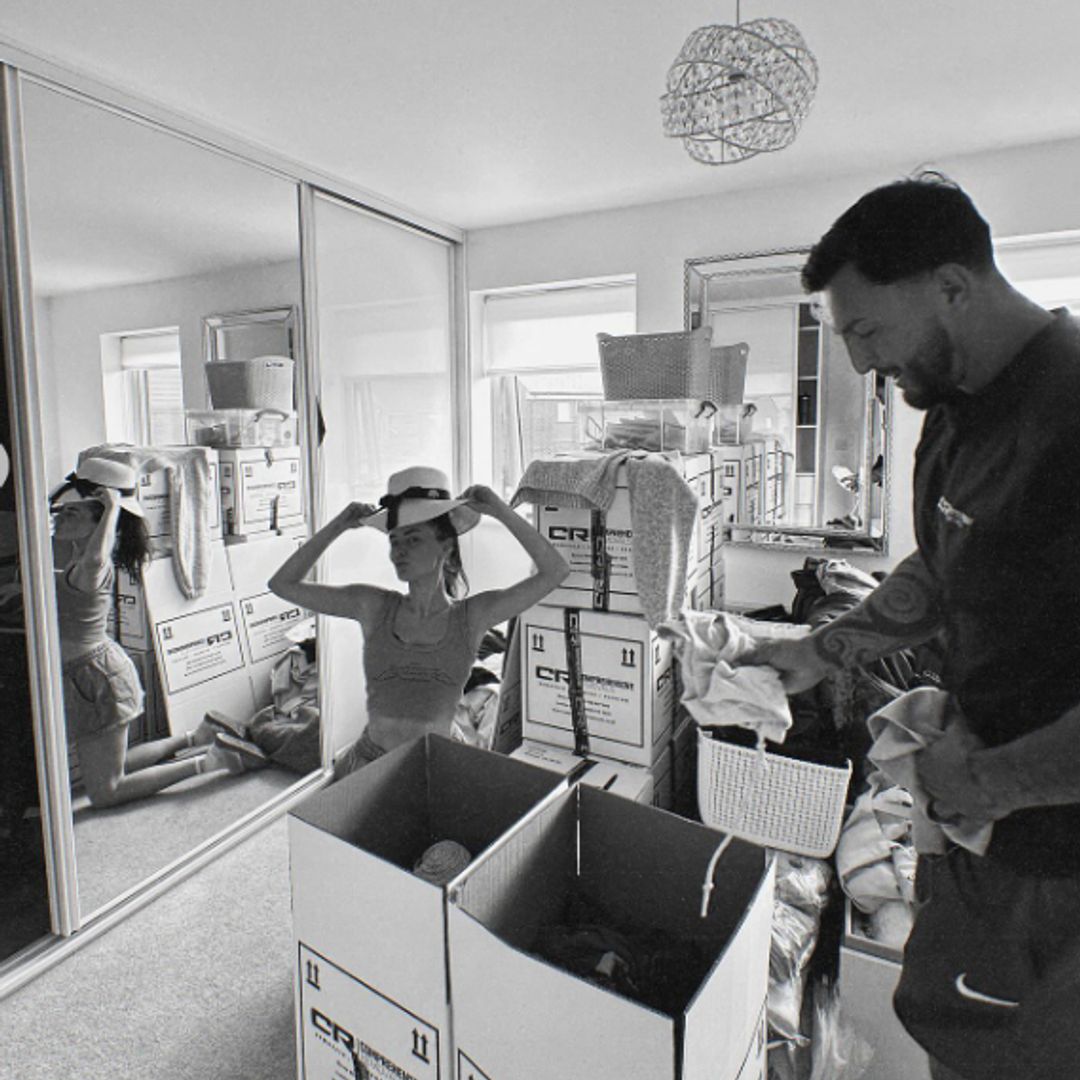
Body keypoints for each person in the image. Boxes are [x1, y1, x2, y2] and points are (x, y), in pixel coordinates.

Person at [748, 173, 1080, 1080]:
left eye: (865, 331)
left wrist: (985, 783)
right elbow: (940, 567)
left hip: (1055, 866)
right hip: (980, 832)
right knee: (953, 1041)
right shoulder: (954, 411)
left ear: (952, 286)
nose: (859, 365)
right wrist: (824, 649)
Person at [268, 465, 569, 773]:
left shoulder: (471, 616)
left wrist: (499, 510)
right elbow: (282, 585)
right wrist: (338, 525)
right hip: (370, 760)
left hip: (437, 763)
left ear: (446, 546)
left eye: (412, 539)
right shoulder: (373, 606)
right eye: (394, 540)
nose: (398, 551)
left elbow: (555, 571)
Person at [51, 457, 252, 807]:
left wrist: (113, 508)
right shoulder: (75, 559)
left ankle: (212, 761)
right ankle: (196, 737)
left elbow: (96, 561)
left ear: (99, 523)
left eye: (72, 513)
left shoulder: (93, 566)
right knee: (109, 769)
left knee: (105, 791)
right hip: (85, 675)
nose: (60, 518)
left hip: (95, 679)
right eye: (62, 512)